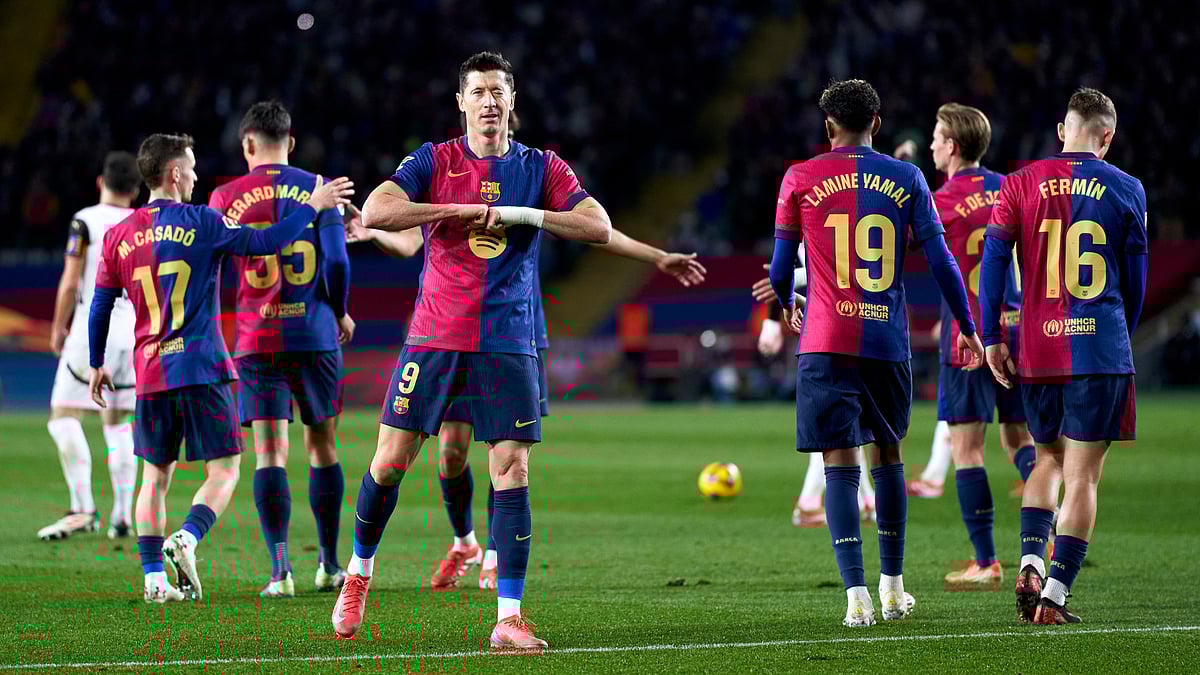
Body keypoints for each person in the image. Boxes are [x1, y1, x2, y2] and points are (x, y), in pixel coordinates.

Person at [330, 52, 612, 651]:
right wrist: (451, 211)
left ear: (513, 101)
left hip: (508, 339)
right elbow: (381, 209)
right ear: (462, 102)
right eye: (478, 91)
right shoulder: (434, 160)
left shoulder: (541, 167)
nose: (489, 101)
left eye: (498, 91)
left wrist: (524, 213)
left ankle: (508, 616)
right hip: (435, 335)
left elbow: (598, 225)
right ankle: (358, 574)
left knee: (511, 470)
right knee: (389, 462)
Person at [347, 169, 705, 593]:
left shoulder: (530, 186)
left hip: (517, 335)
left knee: (508, 458)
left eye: (499, 102)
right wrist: (371, 234)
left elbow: (601, 232)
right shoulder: (451, 181)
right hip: (454, 335)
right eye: (479, 96)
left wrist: (656, 257)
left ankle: (497, 559)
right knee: (451, 452)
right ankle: (465, 543)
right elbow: (409, 239)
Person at [88, 132, 353, 603]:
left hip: (150, 374)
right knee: (226, 470)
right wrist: (313, 206)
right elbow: (267, 241)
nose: (194, 175)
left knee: (154, 477)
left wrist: (95, 364)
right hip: (203, 367)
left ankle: (153, 580)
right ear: (173, 173)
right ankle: (187, 537)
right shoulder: (203, 222)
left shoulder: (117, 237)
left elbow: (100, 307)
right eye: (189, 167)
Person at [770, 79, 983, 627]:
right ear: (877, 124)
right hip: (887, 341)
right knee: (887, 461)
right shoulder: (908, 177)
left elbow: (777, 269)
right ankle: (893, 587)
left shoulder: (799, 177)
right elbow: (942, 263)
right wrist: (966, 324)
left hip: (825, 341)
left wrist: (788, 300)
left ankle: (855, 598)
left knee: (838, 465)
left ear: (828, 126)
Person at [981, 88, 1146, 624]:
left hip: (1039, 346)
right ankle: (1054, 595)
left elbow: (993, 263)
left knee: (1045, 457)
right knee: (1084, 477)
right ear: (1108, 136)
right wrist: (1120, 333)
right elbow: (1137, 283)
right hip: (1099, 349)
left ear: (1062, 130)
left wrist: (992, 337)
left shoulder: (1019, 182)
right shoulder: (1127, 188)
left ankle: (1030, 559)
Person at [209, 101, 355, 598]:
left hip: (256, 338)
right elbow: (336, 261)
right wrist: (338, 311)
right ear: (290, 142)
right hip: (314, 334)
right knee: (323, 447)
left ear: (248, 143)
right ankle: (331, 566)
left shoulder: (224, 196)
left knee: (269, 452)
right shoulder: (319, 188)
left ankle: (279, 571)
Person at [919, 103, 1041, 586]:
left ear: (952, 145)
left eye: (935, 136)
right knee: (1022, 441)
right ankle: (1043, 536)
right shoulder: (1015, 188)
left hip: (967, 339)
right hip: (1018, 328)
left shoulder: (942, 200)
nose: (931, 144)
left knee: (967, 450)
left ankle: (986, 563)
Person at [40, 152, 141, 541]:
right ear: (136, 189)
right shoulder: (142, 223)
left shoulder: (84, 221)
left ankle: (82, 508)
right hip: (132, 332)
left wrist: (57, 327)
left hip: (90, 328)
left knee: (64, 416)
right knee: (118, 424)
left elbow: (69, 282)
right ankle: (122, 515)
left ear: (101, 182)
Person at [752, 256, 876, 528]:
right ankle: (812, 503)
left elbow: (796, 269)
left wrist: (789, 280)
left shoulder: (808, 217)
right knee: (839, 419)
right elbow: (830, 268)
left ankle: (866, 499)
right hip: (839, 327)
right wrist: (774, 316)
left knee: (848, 419)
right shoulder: (825, 216)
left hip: (839, 321)